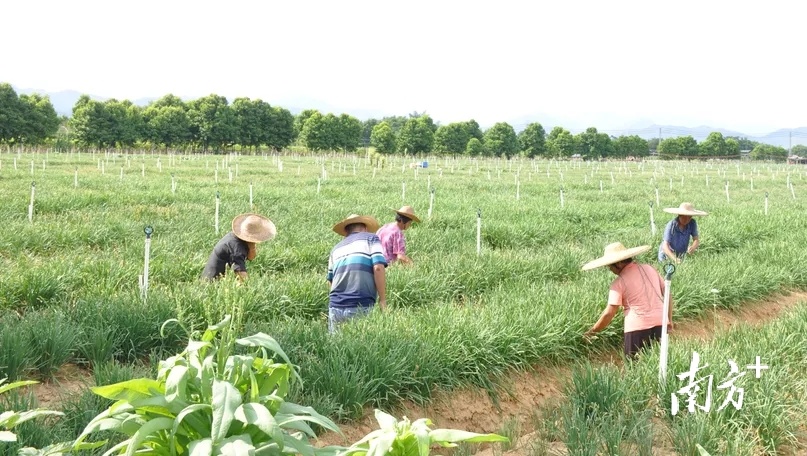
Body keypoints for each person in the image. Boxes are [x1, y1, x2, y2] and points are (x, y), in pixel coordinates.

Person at [582, 242, 673, 358]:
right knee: (660, 365)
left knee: (634, 368)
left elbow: (609, 313)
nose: (610, 269)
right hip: (661, 323)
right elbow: (668, 294)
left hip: (637, 329)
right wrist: (669, 319)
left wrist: (591, 332)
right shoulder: (650, 269)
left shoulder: (619, 283)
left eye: (610, 266)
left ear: (619, 263)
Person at [327, 214, 388, 332]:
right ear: (364, 228)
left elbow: (330, 280)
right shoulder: (371, 239)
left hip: (335, 306)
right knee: (360, 347)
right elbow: (378, 268)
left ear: (346, 232)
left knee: (335, 347)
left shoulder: (335, 248)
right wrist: (383, 300)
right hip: (360, 304)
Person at [201, 213, 276, 281]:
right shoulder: (236, 248)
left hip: (222, 280)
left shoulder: (236, 238)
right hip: (213, 285)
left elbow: (251, 257)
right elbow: (242, 278)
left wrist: (252, 245)